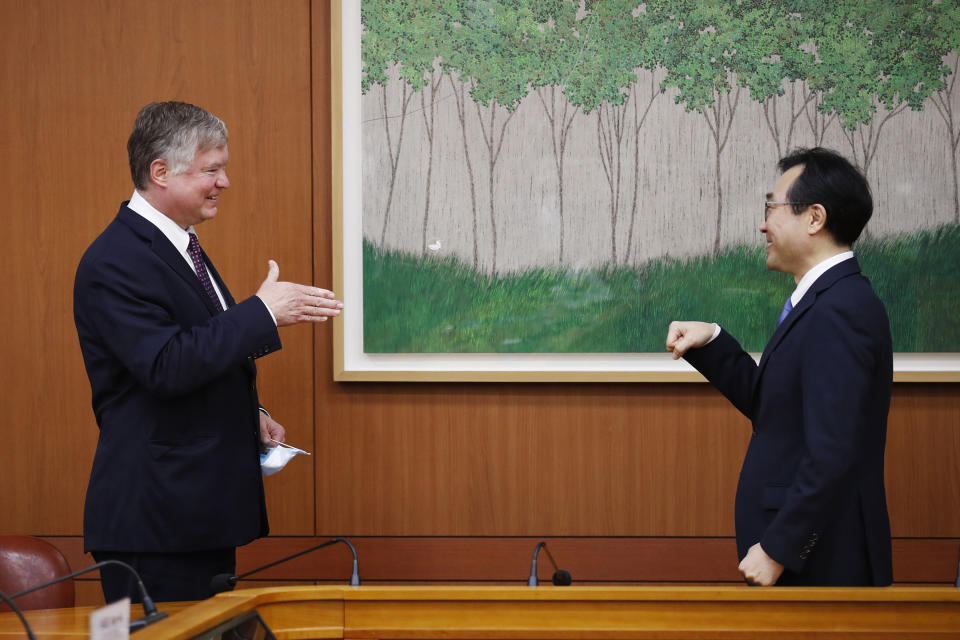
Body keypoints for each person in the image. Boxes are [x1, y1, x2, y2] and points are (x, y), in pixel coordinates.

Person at [73, 101, 343, 602]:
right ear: (161, 172)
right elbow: (165, 365)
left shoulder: (181, 244)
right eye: (212, 170)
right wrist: (261, 311)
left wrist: (251, 411)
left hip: (194, 512)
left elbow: (195, 349)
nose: (225, 182)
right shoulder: (116, 259)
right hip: (155, 519)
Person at [665, 148, 893, 586]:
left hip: (822, 562)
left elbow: (833, 450)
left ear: (814, 218)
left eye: (772, 207)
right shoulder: (823, 302)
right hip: (807, 557)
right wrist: (713, 342)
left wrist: (779, 549)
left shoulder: (841, 309)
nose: (763, 223)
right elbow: (778, 411)